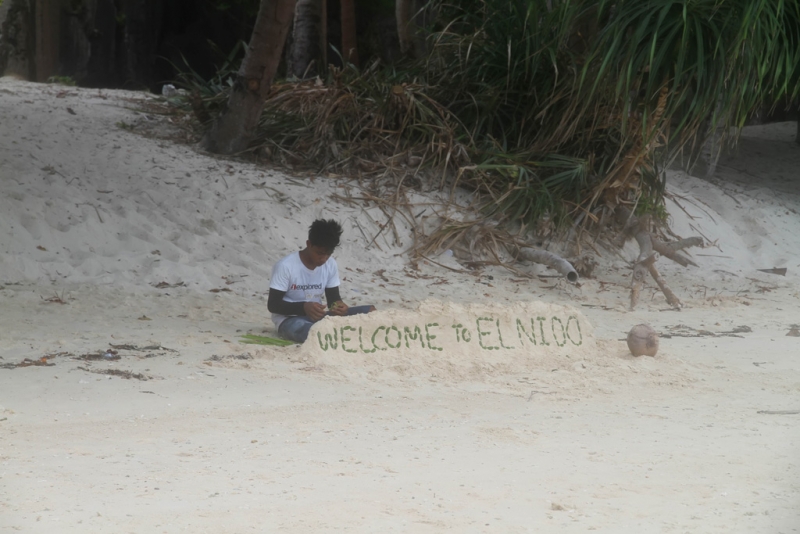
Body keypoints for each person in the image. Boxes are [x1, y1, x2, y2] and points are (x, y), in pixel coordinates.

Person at [268, 219, 376, 343]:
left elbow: (333, 300)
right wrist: (304, 307)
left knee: (371, 312)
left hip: (319, 317)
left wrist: (339, 306)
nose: (324, 259)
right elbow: (273, 305)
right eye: (320, 253)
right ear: (309, 244)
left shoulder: (330, 264)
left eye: (328, 254)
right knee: (318, 333)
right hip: (289, 320)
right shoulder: (285, 266)